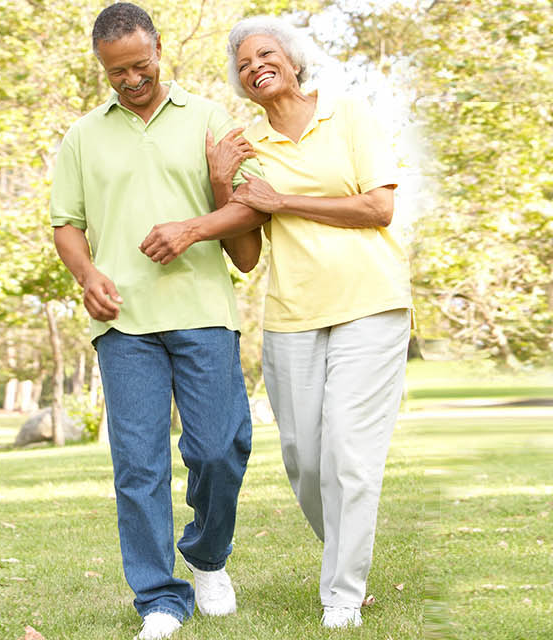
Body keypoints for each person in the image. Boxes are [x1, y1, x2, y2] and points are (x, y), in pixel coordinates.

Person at [136, 14, 411, 631]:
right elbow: (247, 254)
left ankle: (342, 593)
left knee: (349, 454)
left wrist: (282, 201)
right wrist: (217, 182)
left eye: (266, 54)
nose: (255, 66)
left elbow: (379, 207)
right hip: (292, 314)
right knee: (304, 460)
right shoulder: (249, 147)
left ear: (292, 59)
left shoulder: (350, 116)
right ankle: (346, 555)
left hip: (371, 303)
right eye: (243, 64)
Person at [46, 4, 264, 639]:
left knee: (220, 448)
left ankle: (206, 556)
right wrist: (88, 278)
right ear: (102, 68)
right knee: (137, 465)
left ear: (160, 49)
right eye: (117, 73)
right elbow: (67, 224)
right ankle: (160, 600)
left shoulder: (209, 119)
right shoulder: (83, 136)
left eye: (140, 65)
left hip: (202, 311)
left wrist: (200, 215)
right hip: (125, 325)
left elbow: (249, 217)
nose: (131, 80)